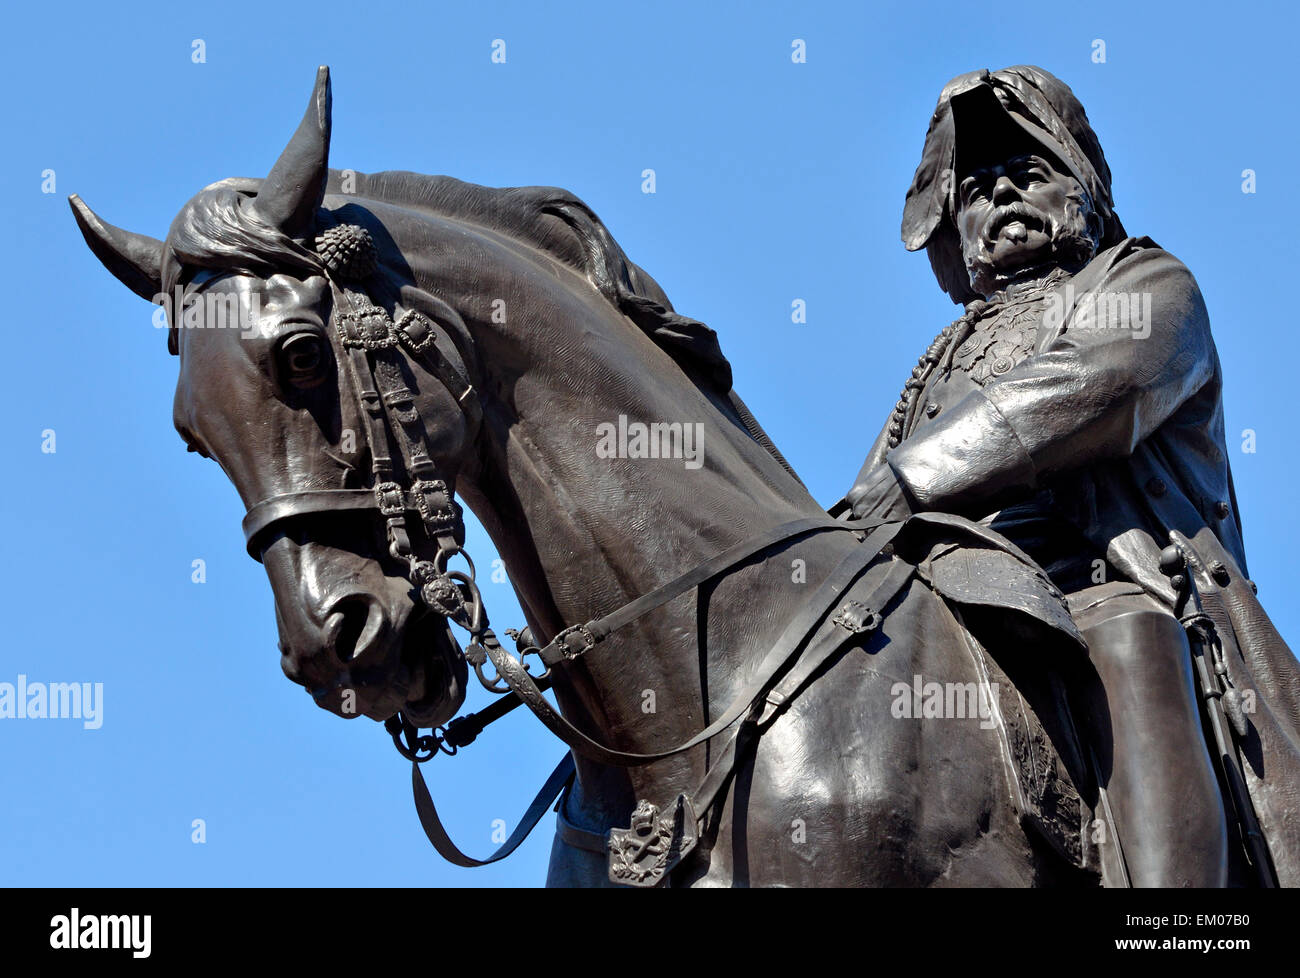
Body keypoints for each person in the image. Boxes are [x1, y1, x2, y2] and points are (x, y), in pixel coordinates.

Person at [847, 66, 1300, 886]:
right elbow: (862, 504)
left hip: (1096, 581)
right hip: (945, 595)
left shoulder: (1148, 285)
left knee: (1125, 630)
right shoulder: (938, 361)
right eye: (978, 190)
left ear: (1082, 193)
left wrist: (916, 477)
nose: (1005, 199)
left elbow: (1100, 383)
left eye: (1030, 175)